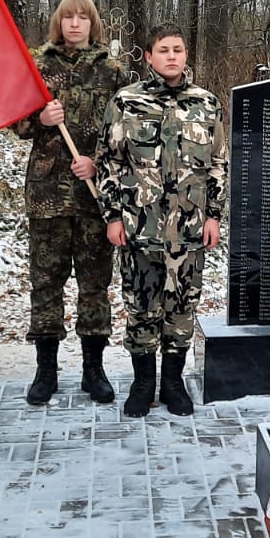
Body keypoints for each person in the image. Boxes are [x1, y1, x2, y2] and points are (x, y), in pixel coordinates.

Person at [96, 23, 227, 418]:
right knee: (141, 308)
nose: (172, 56)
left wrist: (214, 216)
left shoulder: (206, 103)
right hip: (140, 229)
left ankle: (173, 382)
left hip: (188, 231)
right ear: (149, 56)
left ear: (186, 55)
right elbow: (109, 161)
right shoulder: (126, 102)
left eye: (178, 50)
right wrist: (113, 215)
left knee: (182, 307)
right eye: (163, 50)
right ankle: (143, 383)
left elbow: (218, 163)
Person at [11, 0, 135, 406]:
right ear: (58, 23)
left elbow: (128, 131)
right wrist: (38, 119)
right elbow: (15, 122)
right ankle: (45, 370)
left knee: (94, 284)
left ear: (93, 23)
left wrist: (97, 164)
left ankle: (93, 369)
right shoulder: (37, 65)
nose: (75, 24)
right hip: (47, 195)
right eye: (69, 17)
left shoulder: (113, 70)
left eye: (83, 17)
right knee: (46, 284)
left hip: (93, 198)